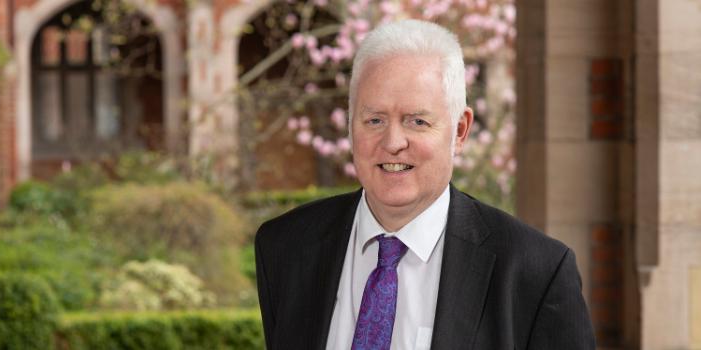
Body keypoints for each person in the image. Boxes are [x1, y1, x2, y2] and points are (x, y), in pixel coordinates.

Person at [255, 19, 595, 350]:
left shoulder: (535, 272)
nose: (393, 142)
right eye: (374, 120)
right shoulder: (285, 248)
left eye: (417, 121)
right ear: (349, 125)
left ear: (460, 131)